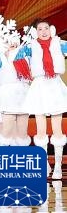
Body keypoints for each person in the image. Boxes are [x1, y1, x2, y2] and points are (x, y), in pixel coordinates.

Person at [16, 20, 67, 179]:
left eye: (46, 28)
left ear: (52, 30)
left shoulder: (60, 44)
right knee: (40, 130)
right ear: (35, 32)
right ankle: (44, 163)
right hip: (39, 86)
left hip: (55, 85)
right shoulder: (30, 46)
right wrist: (27, 75)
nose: (43, 31)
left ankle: (58, 166)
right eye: (40, 29)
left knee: (57, 128)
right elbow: (16, 58)